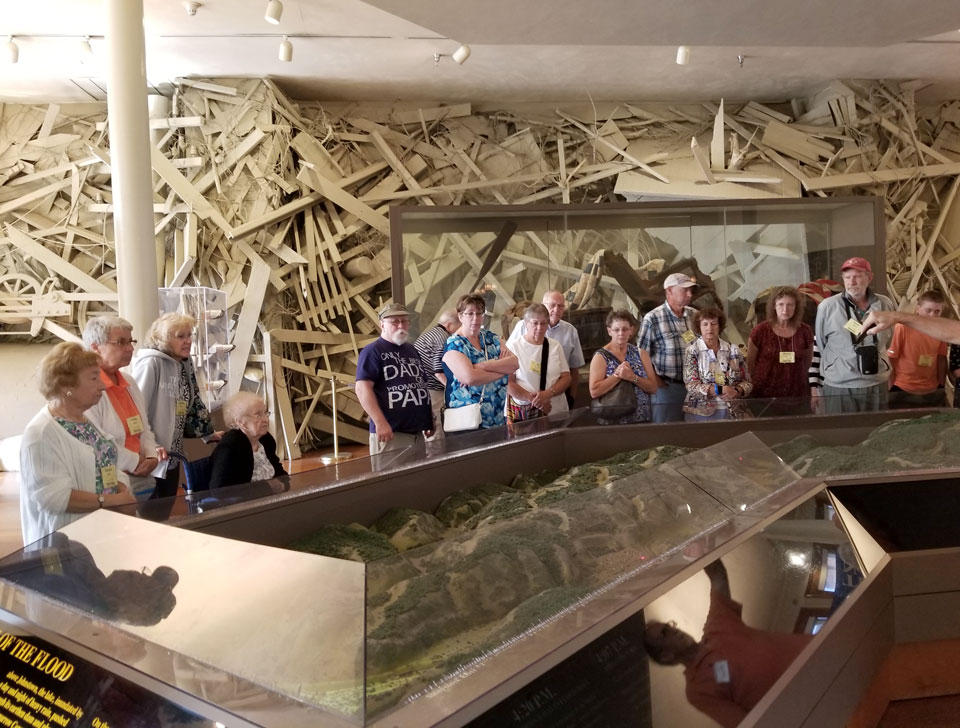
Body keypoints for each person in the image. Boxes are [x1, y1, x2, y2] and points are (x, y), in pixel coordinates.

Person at [644, 560, 813, 728]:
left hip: (822, 654)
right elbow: (746, 724)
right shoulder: (697, 691)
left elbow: (718, 575)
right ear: (666, 655)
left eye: (669, 626)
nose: (673, 630)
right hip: (812, 702)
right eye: (664, 634)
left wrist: (696, 547)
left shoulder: (717, 626)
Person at [19, 342, 137, 544]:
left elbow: (105, 463)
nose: (102, 385)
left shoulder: (83, 420)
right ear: (66, 386)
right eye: (93, 378)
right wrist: (109, 501)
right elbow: (52, 498)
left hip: (101, 536)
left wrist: (121, 490)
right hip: (66, 548)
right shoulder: (40, 434)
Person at [132, 313, 221, 499]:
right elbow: (136, 409)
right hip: (151, 456)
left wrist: (207, 434)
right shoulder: (151, 363)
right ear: (163, 339)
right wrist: (149, 446)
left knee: (165, 512)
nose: (188, 341)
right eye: (181, 336)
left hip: (172, 456)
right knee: (150, 516)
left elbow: (192, 402)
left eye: (189, 335)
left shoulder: (184, 364)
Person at [83, 315, 169, 502]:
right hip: (109, 481)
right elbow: (95, 442)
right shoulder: (86, 387)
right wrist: (137, 462)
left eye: (130, 341)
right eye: (121, 342)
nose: (130, 348)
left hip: (140, 477)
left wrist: (152, 456)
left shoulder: (129, 382)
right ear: (95, 347)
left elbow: (144, 429)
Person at [810, 257, 895, 413]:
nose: (852, 282)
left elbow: (888, 340)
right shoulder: (827, 307)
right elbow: (822, 344)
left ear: (869, 277)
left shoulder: (885, 304)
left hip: (876, 382)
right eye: (847, 277)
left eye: (857, 276)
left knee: (876, 431)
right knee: (842, 433)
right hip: (840, 385)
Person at [356, 302, 434, 456]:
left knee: (419, 479)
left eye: (404, 321)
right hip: (391, 434)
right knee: (393, 479)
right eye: (394, 322)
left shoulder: (411, 350)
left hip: (417, 433)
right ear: (382, 324)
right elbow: (362, 388)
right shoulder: (372, 351)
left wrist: (428, 418)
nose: (401, 326)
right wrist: (380, 422)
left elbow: (420, 385)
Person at [441, 293, 518, 431]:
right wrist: (502, 368)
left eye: (479, 313)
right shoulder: (455, 343)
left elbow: (514, 364)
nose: (475, 318)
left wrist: (482, 366)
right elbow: (470, 378)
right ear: (460, 316)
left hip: (496, 417)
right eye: (470, 313)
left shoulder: (490, 337)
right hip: (467, 422)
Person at [507, 290, 585, 408]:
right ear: (527, 324)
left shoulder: (565, 336)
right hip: (525, 407)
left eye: (560, 306)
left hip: (556, 403)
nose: (556, 309)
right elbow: (507, 378)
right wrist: (533, 399)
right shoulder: (517, 337)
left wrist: (570, 397)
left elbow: (572, 371)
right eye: (552, 305)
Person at [638, 272, 699, 422]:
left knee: (696, 432)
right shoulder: (653, 318)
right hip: (668, 388)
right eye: (684, 290)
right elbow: (641, 353)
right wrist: (655, 380)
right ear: (669, 291)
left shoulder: (695, 316)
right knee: (667, 433)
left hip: (696, 387)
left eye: (691, 290)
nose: (689, 294)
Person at [506, 304, 572, 424]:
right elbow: (508, 382)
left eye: (543, 323)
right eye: (535, 323)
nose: (539, 328)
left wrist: (547, 394)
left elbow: (566, 378)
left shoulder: (555, 346)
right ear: (526, 324)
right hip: (525, 414)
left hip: (555, 411)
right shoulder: (513, 347)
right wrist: (535, 400)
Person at [683, 307, 752, 421]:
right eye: (705, 324)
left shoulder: (733, 350)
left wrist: (737, 391)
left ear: (719, 326)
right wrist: (721, 390)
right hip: (701, 413)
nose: (709, 328)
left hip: (733, 412)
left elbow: (747, 382)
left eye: (713, 324)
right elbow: (691, 385)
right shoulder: (692, 351)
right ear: (699, 327)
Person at [746, 286, 814, 403]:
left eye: (790, 305)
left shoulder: (805, 331)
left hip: (797, 394)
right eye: (781, 304)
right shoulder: (760, 331)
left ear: (796, 307)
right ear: (774, 306)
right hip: (764, 395)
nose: (785, 309)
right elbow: (750, 364)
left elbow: (807, 362)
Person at [588, 309, 656, 423]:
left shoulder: (641, 353)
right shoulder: (600, 357)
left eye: (625, 329)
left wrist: (632, 377)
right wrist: (617, 375)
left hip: (642, 419)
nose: (621, 333)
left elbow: (653, 387)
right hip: (613, 421)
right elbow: (594, 391)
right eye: (616, 330)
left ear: (631, 330)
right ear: (609, 331)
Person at [208, 392, 286, 489]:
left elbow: (279, 472)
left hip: (272, 499)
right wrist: (267, 488)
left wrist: (283, 485)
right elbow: (220, 490)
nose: (266, 419)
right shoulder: (230, 446)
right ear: (240, 422)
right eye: (258, 415)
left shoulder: (266, 439)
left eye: (265, 413)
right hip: (246, 503)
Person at [887, 290, 948, 407]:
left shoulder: (942, 330)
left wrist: (941, 386)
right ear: (918, 309)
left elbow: (941, 359)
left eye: (937, 311)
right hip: (903, 388)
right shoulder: (902, 328)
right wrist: (891, 389)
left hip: (931, 389)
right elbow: (891, 358)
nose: (932, 315)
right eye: (928, 310)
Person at [413, 309, 460, 441]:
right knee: (437, 428)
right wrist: (454, 388)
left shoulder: (431, 334)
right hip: (432, 389)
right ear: (450, 325)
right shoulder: (444, 338)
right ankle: (437, 457)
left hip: (422, 388)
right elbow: (438, 371)